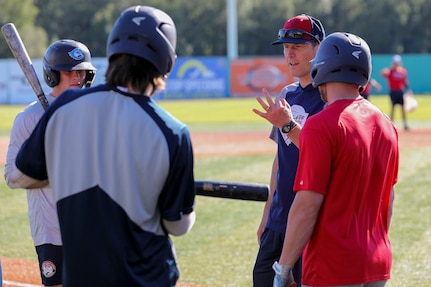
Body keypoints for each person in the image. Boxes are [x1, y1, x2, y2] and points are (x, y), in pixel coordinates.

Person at [9, 5, 196, 286]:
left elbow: (20, 174)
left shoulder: (64, 109)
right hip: (148, 274)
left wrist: (68, 165)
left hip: (84, 272)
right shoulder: (173, 131)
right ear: (166, 62)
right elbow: (178, 225)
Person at [273, 32, 398, 287]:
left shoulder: (320, 125)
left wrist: (283, 268)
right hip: (377, 261)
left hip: (333, 266)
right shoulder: (386, 124)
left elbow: (307, 204)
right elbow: (389, 198)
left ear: (321, 68)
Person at [4, 39, 96, 287]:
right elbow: (12, 176)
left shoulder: (95, 112)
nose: (78, 76)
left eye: (82, 71)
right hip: (52, 229)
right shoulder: (30, 118)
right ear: (53, 75)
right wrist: (49, 165)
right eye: (70, 71)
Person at [252, 14, 326, 287]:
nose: (290, 54)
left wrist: (287, 125)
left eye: (298, 46)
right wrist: (267, 215)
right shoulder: (286, 95)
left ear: (319, 48)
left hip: (310, 222)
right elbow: (279, 161)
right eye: (285, 47)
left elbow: (322, 154)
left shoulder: (328, 98)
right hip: (278, 221)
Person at [381, 54, 410, 130]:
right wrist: (385, 71)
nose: (396, 64)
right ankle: (391, 125)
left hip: (400, 91)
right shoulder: (390, 71)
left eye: (397, 62)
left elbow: (405, 82)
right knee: (393, 108)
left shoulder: (403, 71)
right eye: (394, 62)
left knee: (403, 108)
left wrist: (408, 90)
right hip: (393, 91)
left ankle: (405, 124)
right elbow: (383, 74)